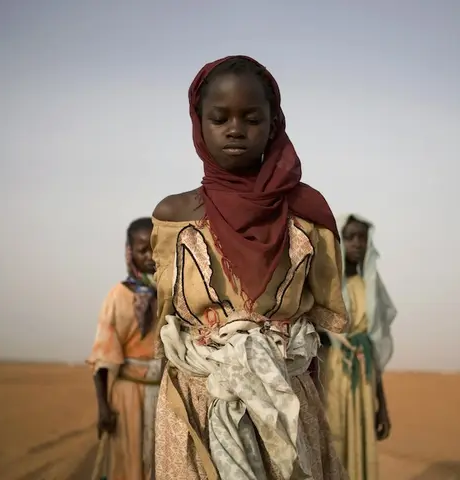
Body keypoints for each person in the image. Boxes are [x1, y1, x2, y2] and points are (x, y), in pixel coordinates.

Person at [150, 55, 350, 480]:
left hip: (286, 403)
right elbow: (166, 313)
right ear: (198, 124)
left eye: (251, 118)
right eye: (219, 118)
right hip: (197, 401)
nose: (235, 129)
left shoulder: (307, 215)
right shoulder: (174, 216)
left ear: (273, 124)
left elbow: (318, 324)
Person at [319, 213, 397, 480]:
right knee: (334, 441)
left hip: (364, 378)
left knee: (361, 443)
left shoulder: (370, 287)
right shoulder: (325, 286)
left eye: (362, 238)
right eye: (350, 237)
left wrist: (382, 405)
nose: (356, 244)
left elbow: (373, 348)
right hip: (331, 376)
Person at [87, 217, 161, 480]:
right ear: (129, 252)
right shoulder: (117, 296)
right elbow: (103, 359)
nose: (151, 256)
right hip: (128, 395)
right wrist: (103, 408)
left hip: (165, 396)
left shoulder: (173, 293)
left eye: (155, 247)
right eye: (143, 250)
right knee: (130, 461)